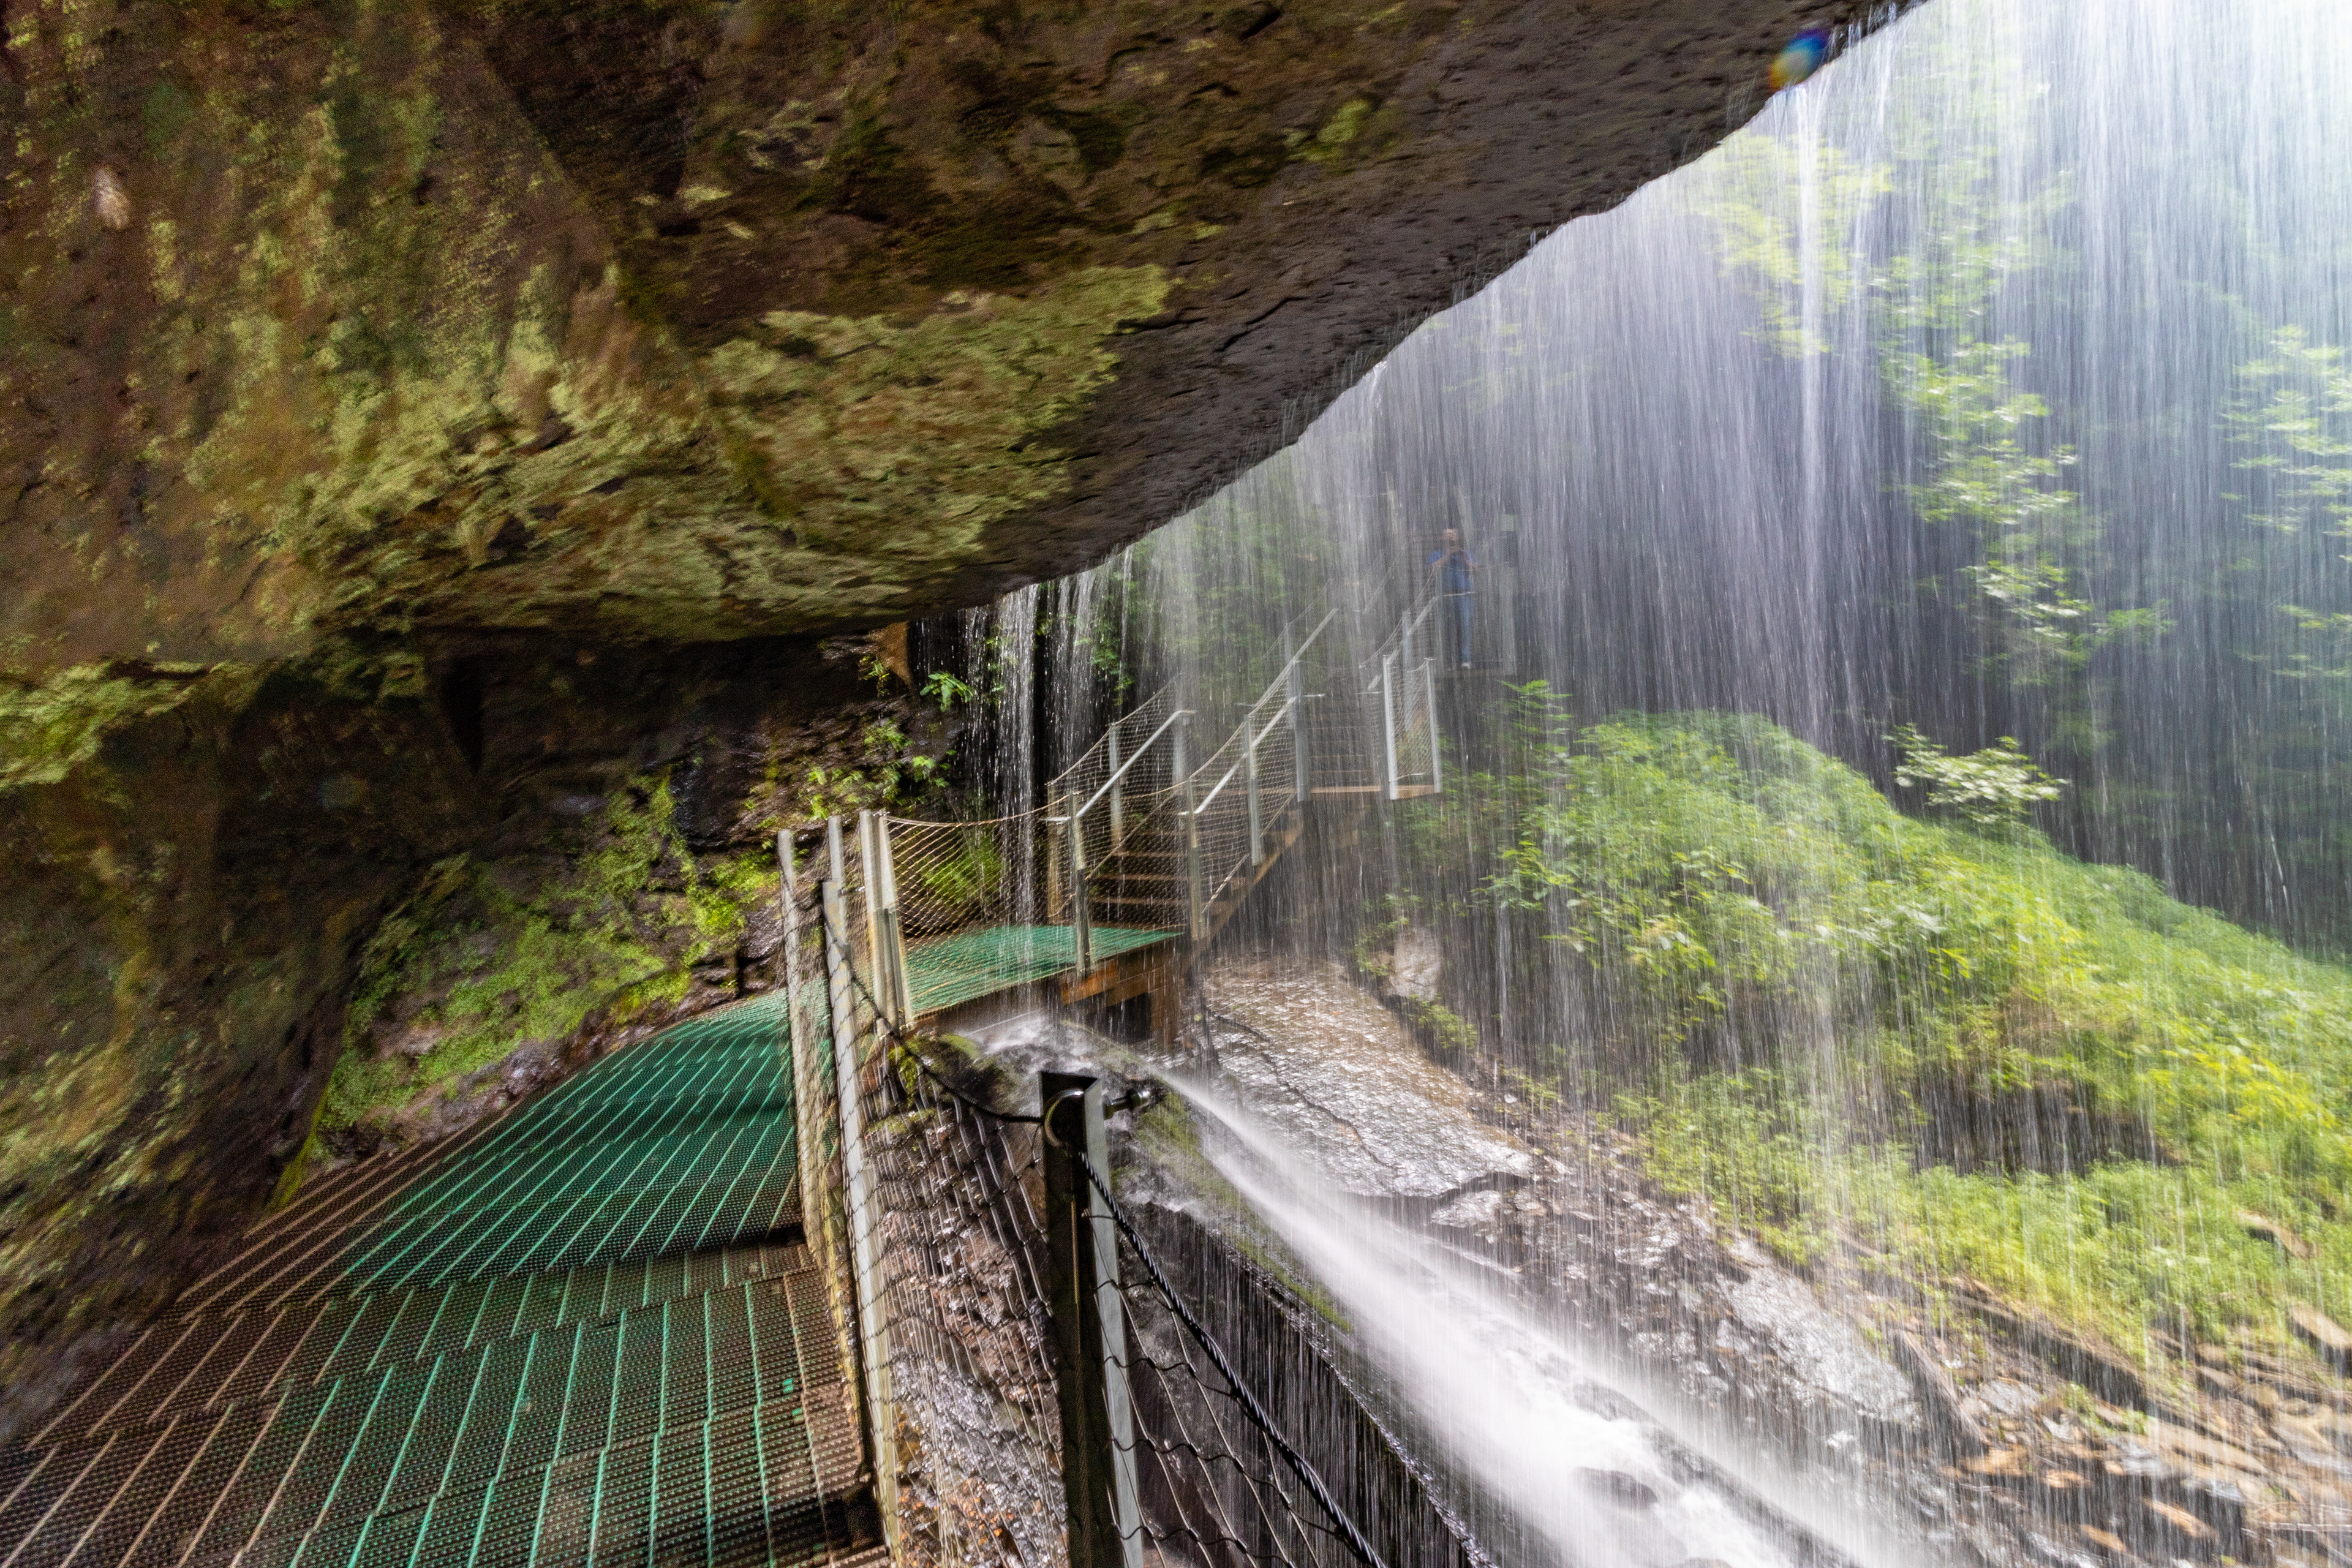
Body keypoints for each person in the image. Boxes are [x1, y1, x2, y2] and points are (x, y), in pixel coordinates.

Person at [1427, 529, 1475, 667]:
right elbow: (1432, 569)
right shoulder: (1436, 554)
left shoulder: (1466, 553)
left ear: (1458, 537)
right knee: (1448, 627)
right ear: (1442, 538)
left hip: (1465, 595)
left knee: (1465, 626)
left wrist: (1465, 560)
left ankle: (1465, 659)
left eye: (1453, 534)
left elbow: (1476, 570)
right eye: (1448, 534)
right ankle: (1450, 659)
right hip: (1445, 595)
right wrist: (1448, 555)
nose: (1451, 536)